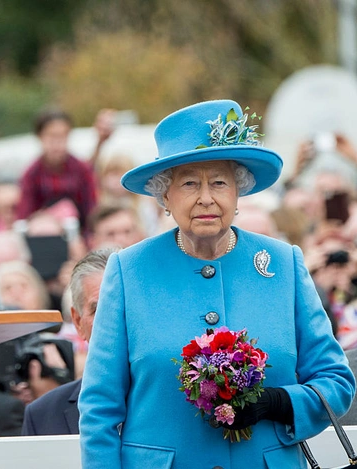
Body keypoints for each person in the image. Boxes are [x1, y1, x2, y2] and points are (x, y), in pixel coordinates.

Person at [78, 100, 355, 469]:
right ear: (165, 195)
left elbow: (336, 382)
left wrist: (279, 402)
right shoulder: (128, 272)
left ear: (237, 193)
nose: (206, 197)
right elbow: (99, 410)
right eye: (189, 182)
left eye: (219, 182)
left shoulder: (283, 264)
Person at [22, 248, 114, 436]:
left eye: (122, 303)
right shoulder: (41, 415)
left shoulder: (176, 397)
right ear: (78, 322)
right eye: (98, 309)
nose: (113, 318)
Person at [16, 109, 98, 230]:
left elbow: (91, 211)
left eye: (62, 136)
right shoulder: (31, 175)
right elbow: (24, 216)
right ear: (40, 137)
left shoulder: (82, 170)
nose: (57, 143)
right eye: (52, 136)